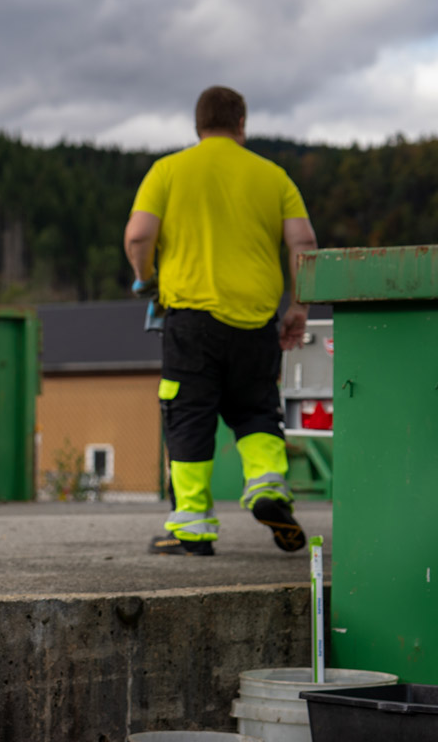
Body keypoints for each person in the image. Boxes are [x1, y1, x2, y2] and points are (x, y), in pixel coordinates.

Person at [123, 85, 319, 557]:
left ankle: (192, 529)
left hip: (191, 320)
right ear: (241, 124)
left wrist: (145, 278)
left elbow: (138, 235)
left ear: (198, 125)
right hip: (256, 320)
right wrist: (299, 307)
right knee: (256, 409)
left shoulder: (168, 171)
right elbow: (305, 243)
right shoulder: (273, 176)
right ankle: (268, 488)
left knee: (189, 416)